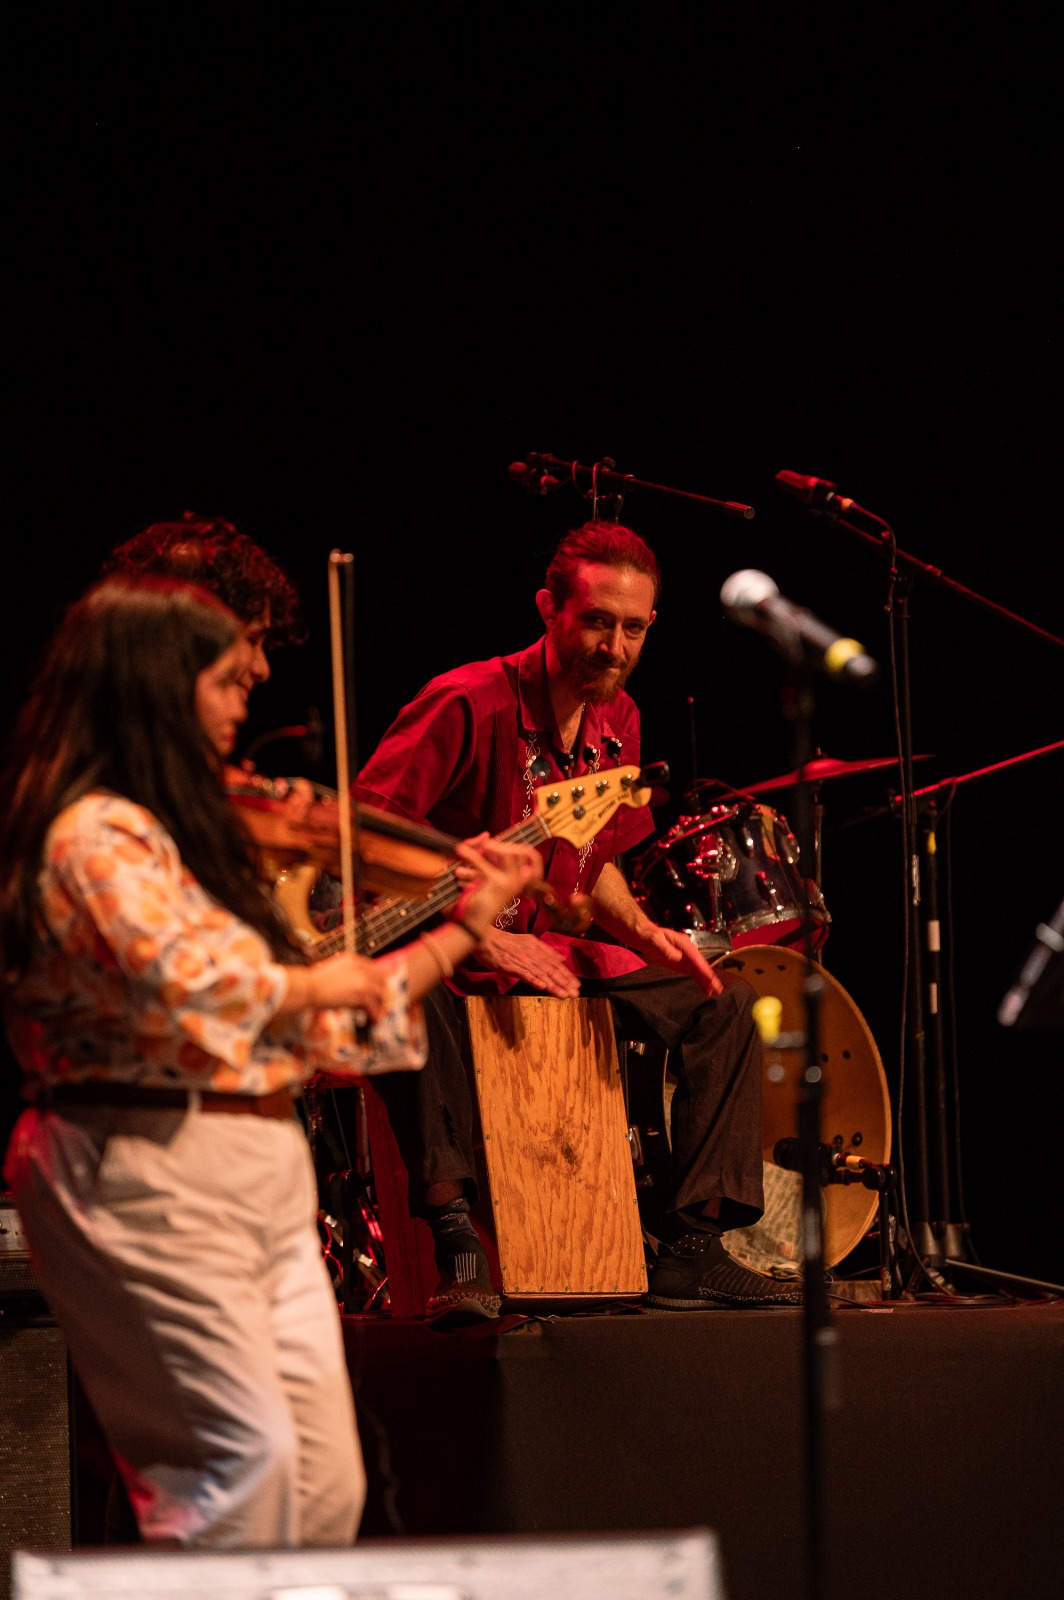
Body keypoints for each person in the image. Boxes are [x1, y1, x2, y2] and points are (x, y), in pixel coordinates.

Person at [0, 575, 540, 1549]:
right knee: (239, 1483)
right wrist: (325, 980)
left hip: (254, 1164)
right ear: (161, 688)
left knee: (324, 1488)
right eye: (223, 674)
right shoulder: (92, 832)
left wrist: (464, 927)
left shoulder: (193, 838)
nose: (248, 689)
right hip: (140, 1159)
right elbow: (209, 983)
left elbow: (325, 1022)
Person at [356, 520, 803, 1311]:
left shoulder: (618, 721)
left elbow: (597, 863)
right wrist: (484, 933)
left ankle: (693, 1245)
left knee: (722, 1000)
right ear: (549, 609)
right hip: (448, 953)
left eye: (632, 628)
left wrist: (646, 934)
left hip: (545, 947)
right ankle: (455, 1239)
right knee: (402, 986)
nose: (614, 646)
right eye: (597, 621)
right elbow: (360, 841)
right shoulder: (467, 702)